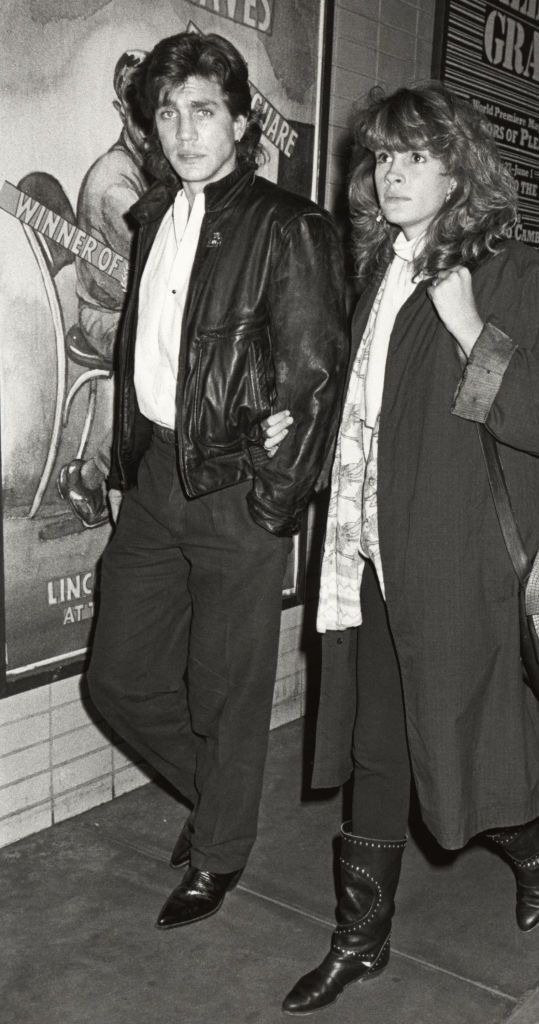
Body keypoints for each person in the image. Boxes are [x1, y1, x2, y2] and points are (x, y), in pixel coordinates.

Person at [264, 82, 539, 1015]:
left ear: (461, 170)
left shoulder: (514, 278)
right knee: (380, 753)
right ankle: (358, 941)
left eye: (416, 155)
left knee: (464, 755)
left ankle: (529, 843)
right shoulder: (377, 270)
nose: (393, 173)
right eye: (382, 157)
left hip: (461, 574)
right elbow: (371, 411)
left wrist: (468, 329)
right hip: (371, 564)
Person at [86, 31, 347, 931]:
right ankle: (220, 798)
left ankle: (221, 852)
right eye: (168, 113)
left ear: (240, 119)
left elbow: (314, 380)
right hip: (161, 471)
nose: (185, 129)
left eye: (203, 110)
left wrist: (271, 502)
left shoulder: (288, 225)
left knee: (226, 686)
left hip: (238, 485)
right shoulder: (155, 213)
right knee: (116, 676)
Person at [57, 50, 150, 528]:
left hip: (125, 309)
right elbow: (159, 273)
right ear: (121, 111)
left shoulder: (140, 167)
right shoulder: (116, 185)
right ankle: (93, 478)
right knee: (158, 357)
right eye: (141, 110)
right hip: (105, 317)